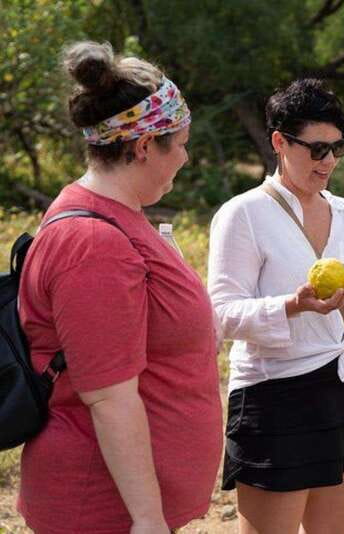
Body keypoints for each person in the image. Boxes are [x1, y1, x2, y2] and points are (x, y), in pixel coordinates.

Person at [207, 78, 344, 534]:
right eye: (316, 149)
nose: (328, 160)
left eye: (337, 147)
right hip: (275, 397)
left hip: (342, 391)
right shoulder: (243, 213)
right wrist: (293, 306)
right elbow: (221, 314)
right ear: (279, 142)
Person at [17, 41, 222, 533]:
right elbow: (109, 397)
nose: (187, 157)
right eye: (182, 143)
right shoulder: (91, 244)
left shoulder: (119, 218)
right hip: (101, 510)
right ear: (145, 146)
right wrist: (148, 520)